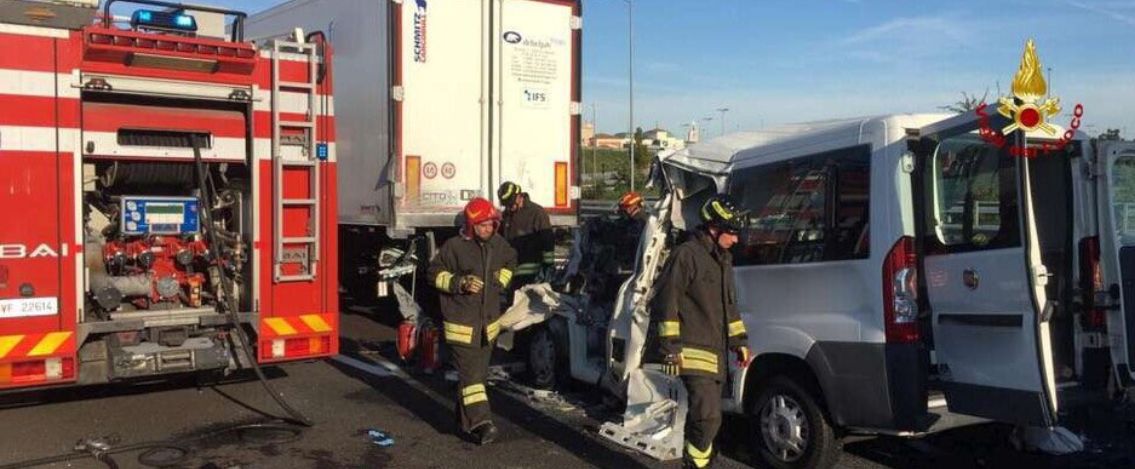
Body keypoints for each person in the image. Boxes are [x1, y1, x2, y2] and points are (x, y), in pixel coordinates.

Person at [651, 194, 752, 469]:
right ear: (714, 227)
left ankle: (700, 460)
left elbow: (729, 306)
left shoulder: (723, 259)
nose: (736, 240)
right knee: (707, 416)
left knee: (709, 417)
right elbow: (665, 302)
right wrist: (670, 350)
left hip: (716, 352)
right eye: (732, 233)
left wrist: (740, 341)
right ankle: (695, 465)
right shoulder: (686, 255)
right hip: (691, 350)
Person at [428, 197, 518, 445]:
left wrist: (503, 278)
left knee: (476, 376)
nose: (488, 229)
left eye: (491, 224)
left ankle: (462, 418)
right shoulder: (454, 247)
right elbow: (433, 274)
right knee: (472, 379)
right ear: (471, 225)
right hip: (462, 327)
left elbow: (512, 260)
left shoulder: (498, 245)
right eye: (483, 225)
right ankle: (481, 423)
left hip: (487, 329)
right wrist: (460, 283)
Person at [497, 181, 554, 285]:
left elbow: (547, 240)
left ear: (519, 196)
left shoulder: (536, 212)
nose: (510, 208)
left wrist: (548, 266)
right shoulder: (507, 214)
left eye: (511, 204)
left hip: (531, 272)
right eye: (507, 205)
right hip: (512, 269)